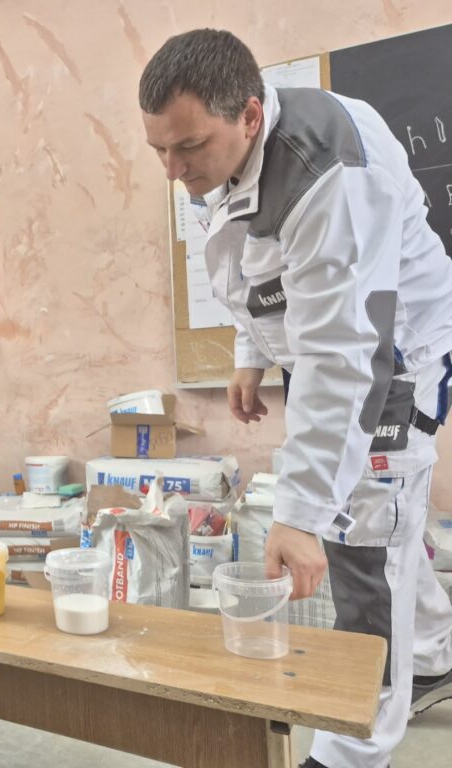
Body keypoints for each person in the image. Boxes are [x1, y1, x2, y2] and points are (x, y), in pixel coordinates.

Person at [139, 29, 452, 768]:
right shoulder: (223, 153)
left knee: (360, 541)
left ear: (250, 115)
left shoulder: (332, 177)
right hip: (333, 346)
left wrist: (303, 515)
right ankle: (436, 651)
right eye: (159, 150)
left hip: (392, 357)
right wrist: (251, 354)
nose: (173, 170)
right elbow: (255, 264)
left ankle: (352, 750)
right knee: (379, 527)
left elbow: (350, 357)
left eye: (189, 148)